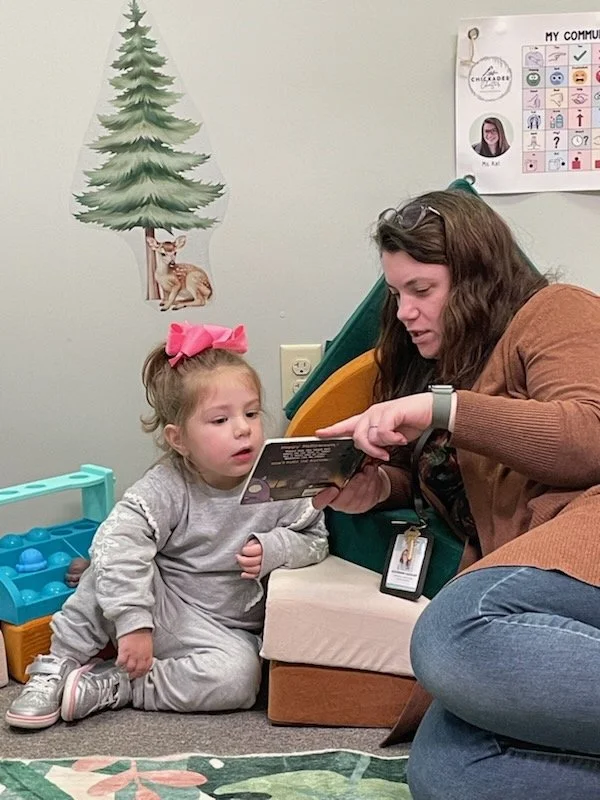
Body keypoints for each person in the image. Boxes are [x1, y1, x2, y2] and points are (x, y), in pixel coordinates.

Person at [314, 190, 600, 799]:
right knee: (447, 771)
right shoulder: (442, 364)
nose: (405, 311)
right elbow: (458, 484)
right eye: (397, 294)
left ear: (477, 280)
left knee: (456, 630)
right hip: (539, 574)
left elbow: (587, 436)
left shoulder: (557, 310)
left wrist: (443, 408)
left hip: (587, 540)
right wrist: (375, 489)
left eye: (422, 290)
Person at [6, 322, 328, 730]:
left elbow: (316, 539)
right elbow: (118, 541)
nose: (243, 428)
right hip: (160, 604)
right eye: (220, 420)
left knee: (240, 681)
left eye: (251, 413)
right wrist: (134, 621)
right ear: (179, 439)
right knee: (111, 558)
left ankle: (122, 685)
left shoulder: (278, 479)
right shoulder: (168, 485)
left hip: (224, 631)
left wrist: (278, 548)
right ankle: (58, 665)